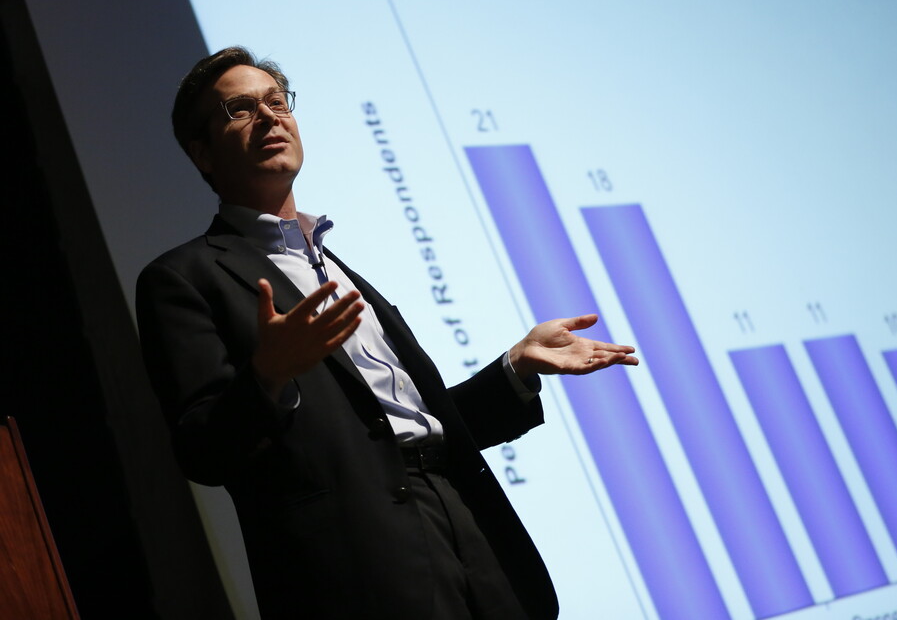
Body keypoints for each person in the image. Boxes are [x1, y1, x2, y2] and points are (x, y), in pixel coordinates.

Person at [136, 46, 638, 620]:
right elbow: (204, 451)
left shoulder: (334, 264)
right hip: (358, 566)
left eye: (278, 102)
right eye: (240, 110)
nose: (271, 117)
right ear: (201, 152)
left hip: (467, 524)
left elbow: (408, 423)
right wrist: (268, 374)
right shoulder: (183, 278)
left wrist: (514, 370)